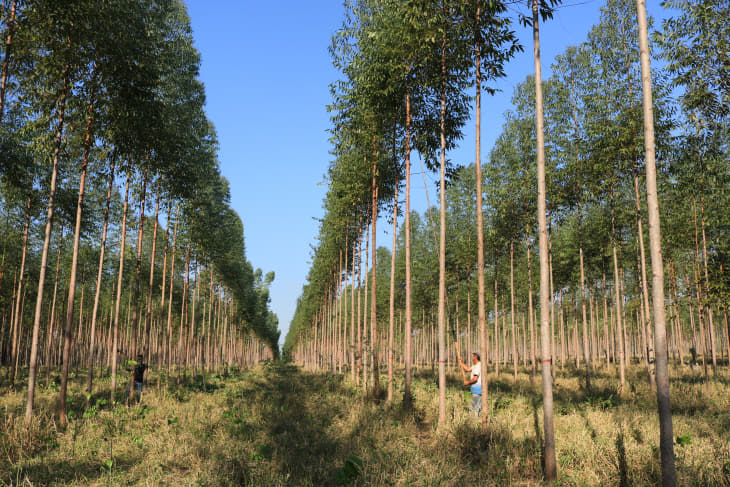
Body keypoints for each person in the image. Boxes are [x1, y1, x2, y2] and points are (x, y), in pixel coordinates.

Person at [458, 351, 482, 416]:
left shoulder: (478, 366)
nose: (472, 357)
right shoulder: (475, 366)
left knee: (475, 408)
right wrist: (461, 362)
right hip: (475, 390)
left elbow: (475, 379)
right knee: (474, 406)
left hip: (478, 390)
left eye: (473, 356)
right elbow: (467, 369)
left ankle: (474, 422)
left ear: (476, 356)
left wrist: (467, 383)